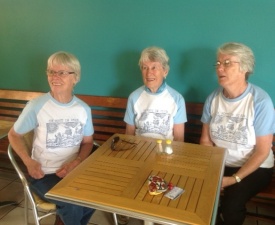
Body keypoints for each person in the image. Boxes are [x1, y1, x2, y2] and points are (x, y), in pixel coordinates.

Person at [8, 51, 95, 225]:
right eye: (51, 72)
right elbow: (13, 135)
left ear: (75, 77)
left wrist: (75, 163)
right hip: (44, 174)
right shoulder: (37, 106)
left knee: (96, 195)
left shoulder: (83, 109)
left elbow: (87, 142)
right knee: (72, 203)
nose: (55, 77)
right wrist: (29, 162)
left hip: (74, 171)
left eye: (62, 72)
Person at [200, 42, 275, 225]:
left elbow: (262, 151)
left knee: (231, 205)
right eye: (218, 63)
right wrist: (212, 173)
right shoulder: (213, 98)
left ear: (245, 68)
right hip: (221, 163)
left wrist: (233, 180)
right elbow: (206, 141)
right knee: (201, 196)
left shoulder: (260, 101)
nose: (220, 68)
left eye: (227, 62)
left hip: (256, 167)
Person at [120, 46, 187, 224]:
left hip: (165, 155)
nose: (149, 72)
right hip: (139, 153)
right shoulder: (134, 97)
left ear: (165, 71)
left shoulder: (177, 99)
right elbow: (129, 134)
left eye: (154, 67)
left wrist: (171, 159)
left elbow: (179, 139)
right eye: (144, 67)